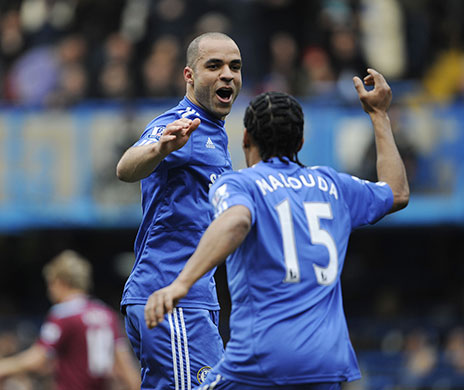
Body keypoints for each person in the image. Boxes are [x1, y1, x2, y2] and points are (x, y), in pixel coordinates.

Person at [144, 68, 410, 389]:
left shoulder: (240, 184)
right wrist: (379, 114)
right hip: (326, 361)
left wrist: (180, 283)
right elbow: (396, 193)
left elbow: (236, 220)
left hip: (260, 358)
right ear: (300, 141)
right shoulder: (333, 185)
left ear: (245, 139)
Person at [116, 32, 242, 389]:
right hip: (170, 298)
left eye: (235, 66)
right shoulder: (180, 124)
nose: (227, 75)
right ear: (189, 75)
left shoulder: (214, 133)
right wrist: (160, 149)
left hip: (185, 299)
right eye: (214, 66)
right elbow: (126, 167)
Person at [0, 250, 141, 390]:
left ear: (59, 282)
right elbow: (126, 367)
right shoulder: (107, 314)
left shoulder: (64, 314)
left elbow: (38, 358)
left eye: (50, 284)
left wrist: (5, 367)